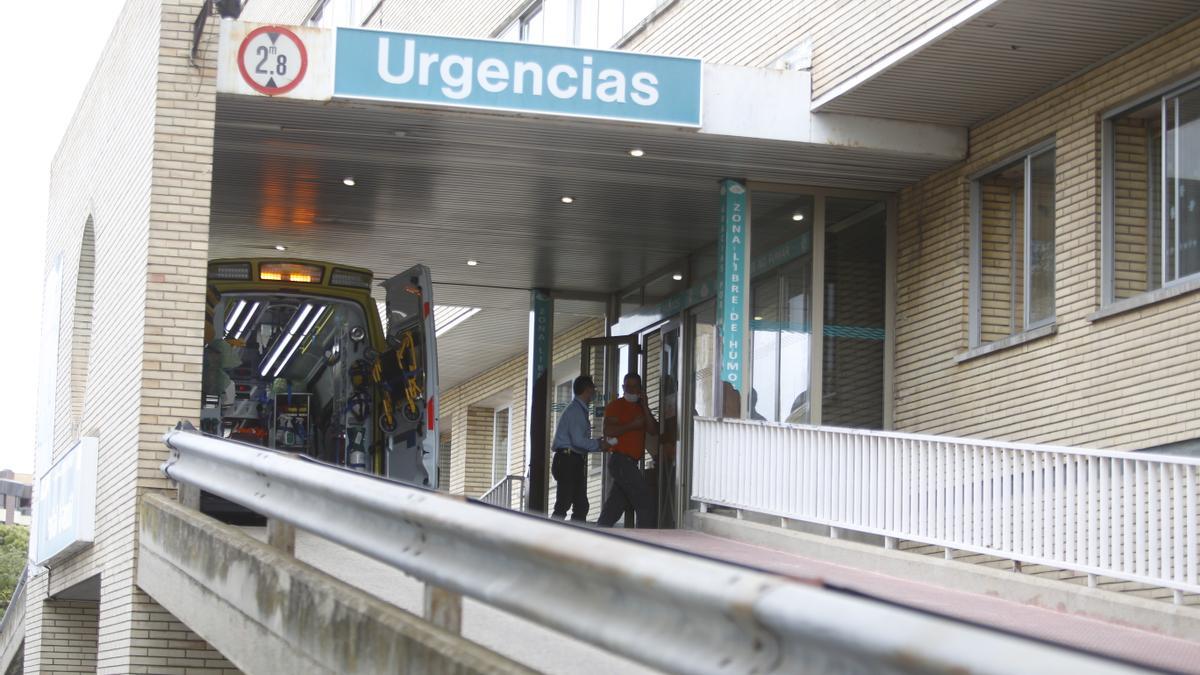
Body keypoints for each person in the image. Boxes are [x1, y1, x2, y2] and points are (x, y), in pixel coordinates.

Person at [597, 373, 658, 528]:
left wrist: (645, 405)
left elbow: (652, 430)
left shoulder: (640, 408)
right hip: (621, 461)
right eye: (627, 386)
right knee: (645, 501)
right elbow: (608, 431)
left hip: (630, 463)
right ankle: (645, 542)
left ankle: (599, 533)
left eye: (634, 386)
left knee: (615, 506)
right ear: (623, 387)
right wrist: (632, 425)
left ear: (640, 389)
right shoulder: (615, 406)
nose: (630, 390)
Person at [550, 375, 612, 521]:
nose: (594, 393)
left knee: (578, 504)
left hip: (569, 459)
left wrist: (596, 443)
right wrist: (598, 444)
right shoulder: (576, 411)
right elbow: (578, 441)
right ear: (587, 390)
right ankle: (549, 538)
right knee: (566, 504)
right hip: (568, 460)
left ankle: (567, 537)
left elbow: (578, 440)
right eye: (593, 389)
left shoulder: (576, 409)